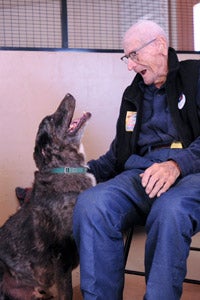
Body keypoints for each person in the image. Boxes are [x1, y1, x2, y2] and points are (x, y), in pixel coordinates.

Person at [73, 20, 200, 300]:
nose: (129, 66)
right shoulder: (133, 95)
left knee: (170, 210)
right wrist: (69, 172)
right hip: (140, 175)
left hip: (191, 174)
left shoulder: (195, 75)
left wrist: (176, 165)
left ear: (159, 46)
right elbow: (116, 155)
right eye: (126, 58)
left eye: (133, 55)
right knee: (92, 204)